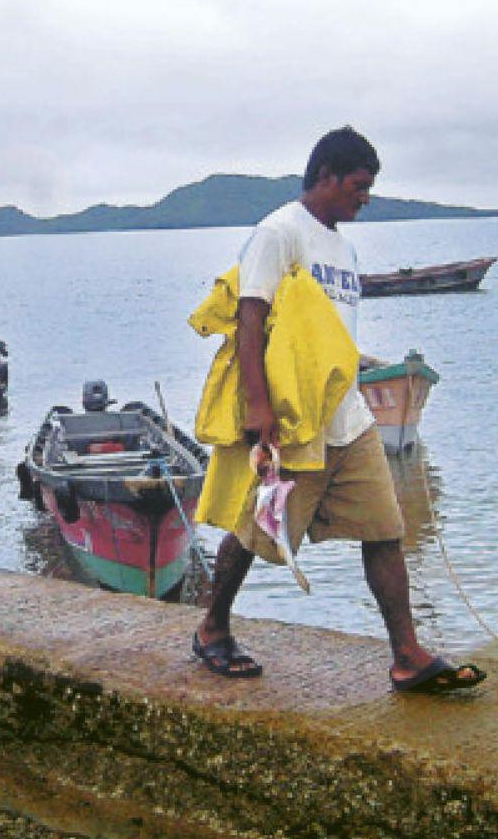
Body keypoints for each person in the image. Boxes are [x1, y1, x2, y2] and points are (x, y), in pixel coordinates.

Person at [192, 126, 486, 694]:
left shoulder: (342, 246)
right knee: (259, 529)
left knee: (385, 528)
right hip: (294, 420)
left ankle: (406, 656)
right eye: (358, 184)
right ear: (325, 176)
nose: (365, 196)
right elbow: (250, 320)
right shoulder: (277, 233)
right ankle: (211, 628)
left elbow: (328, 333)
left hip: (349, 418)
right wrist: (259, 408)